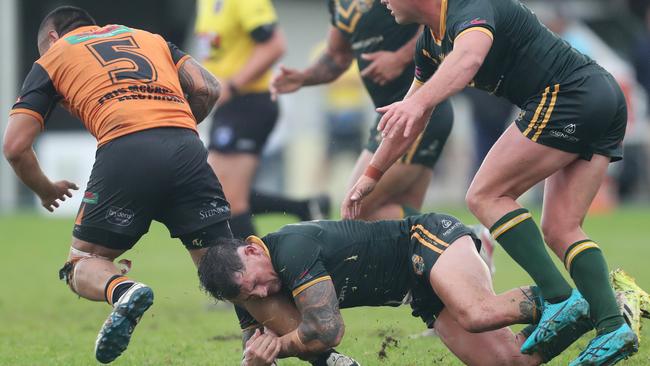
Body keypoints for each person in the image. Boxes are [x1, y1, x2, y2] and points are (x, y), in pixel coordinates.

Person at [341, 0, 638, 364]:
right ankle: (613, 328)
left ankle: (560, 300)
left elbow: (468, 61)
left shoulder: (470, 8)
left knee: (485, 194)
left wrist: (417, 105)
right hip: (598, 96)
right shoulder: (428, 44)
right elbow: (411, 117)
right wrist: (372, 174)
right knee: (561, 228)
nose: (382, 1)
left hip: (571, 96)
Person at [2, 6, 233, 363]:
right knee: (224, 265)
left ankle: (123, 289)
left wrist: (45, 189)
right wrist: (175, 128)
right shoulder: (150, 39)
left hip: (127, 148)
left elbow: (15, 146)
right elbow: (207, 87)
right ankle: (309, 346)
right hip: (186, 145)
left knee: (83, 262)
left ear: (51, 38)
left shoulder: (54, 57)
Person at [198, 213, 596, 366]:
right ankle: (598, 315)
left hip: (425, 240)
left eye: (257, 284)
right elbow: (255, 349)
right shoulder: (249, 291)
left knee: (478, 314)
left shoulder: (290, 249)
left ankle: (600, 293)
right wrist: (255, 361)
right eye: (249, 297)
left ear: (252, 249)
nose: (264, 294)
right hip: (418, 291)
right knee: (510, 363)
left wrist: (280, 348)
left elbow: (327, 331)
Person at [271, 0, 453, 220]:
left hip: (419, 112)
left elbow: (437, 20)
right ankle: (454, 238)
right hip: (389, 118)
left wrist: (401, 57)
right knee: (397, 227)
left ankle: (453, 234)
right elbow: (337, 57)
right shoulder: (337, 4)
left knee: (354, 211)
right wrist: (303, 78)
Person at [194, 0, 329, 238]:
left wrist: (232, 85)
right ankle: (304, 207)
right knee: (217, 192)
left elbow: (274, 46)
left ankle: (250, 270)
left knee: (227, 199)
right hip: (228, 106)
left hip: (248, 102)